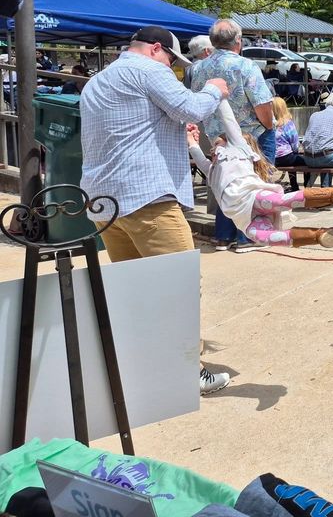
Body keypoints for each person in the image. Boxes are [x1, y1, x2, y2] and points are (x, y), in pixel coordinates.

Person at [79, 25, 231, 396]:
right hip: (147, 198)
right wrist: (215, 89)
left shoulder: (96, 82)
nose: (172, 68)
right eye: (171, 61)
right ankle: (187, 372)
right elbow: (192, 106)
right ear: (156, 49)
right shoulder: (149, 70)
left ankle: (144, 365)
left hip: (104, 203)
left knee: (136, 287)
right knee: (178, 285)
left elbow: (133, 127)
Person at [187, 103, 333, 248]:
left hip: (251, 196)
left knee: (281, 201)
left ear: (230, 143)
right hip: (243, 216)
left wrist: (221, 98)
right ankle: (318, 236)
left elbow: (229, 122)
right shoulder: (212, 170)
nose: (213, 148)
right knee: (261, 237)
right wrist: (190, 139)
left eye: (217, 144)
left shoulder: (237, 151)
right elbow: (198, 156)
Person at [191, 19, 275, 252]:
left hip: (217, 136)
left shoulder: (198, 68)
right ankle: (248, 237)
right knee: (255, 183)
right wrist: (269, 126)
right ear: (238, 40)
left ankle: (223, 236)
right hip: (251, 135)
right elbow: (262, 104)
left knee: (225, 183)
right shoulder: (246, 65)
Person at [271, 96, 307, 191]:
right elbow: (294, 143)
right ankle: (306, 186)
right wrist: (296, 150)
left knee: (292, 157)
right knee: (307, 161)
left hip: (272, 158)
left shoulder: (268, 124)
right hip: (285, 157)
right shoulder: (287, 124)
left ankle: (294, 186)